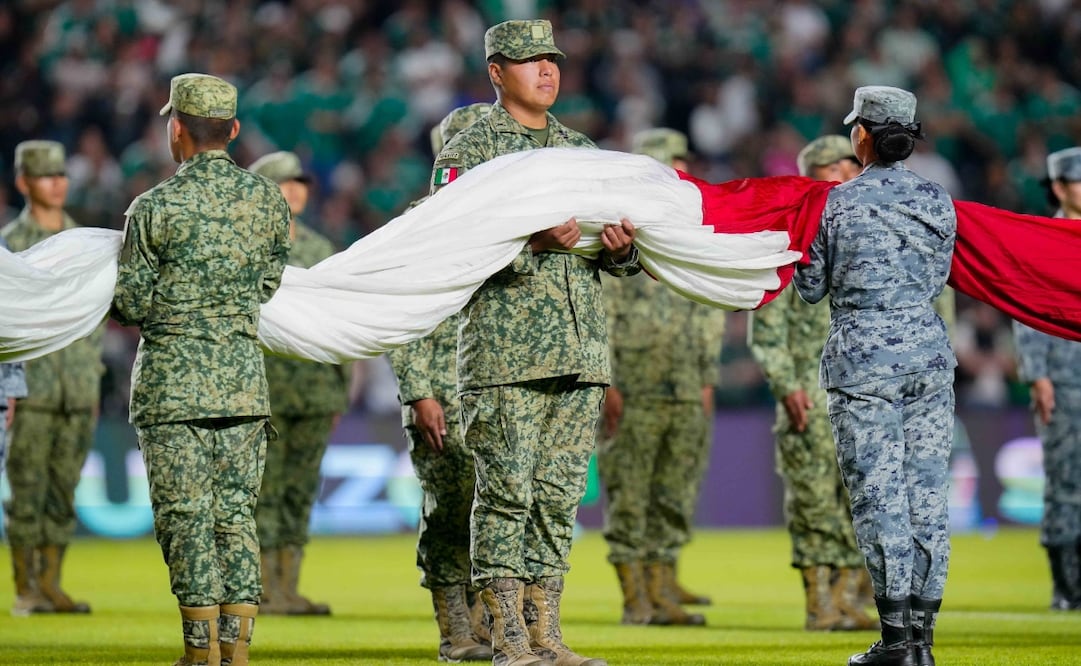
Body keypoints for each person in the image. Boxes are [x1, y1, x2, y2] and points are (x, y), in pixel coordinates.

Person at [430, 19, 638, 666]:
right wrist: (529, 247)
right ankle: (506, 636)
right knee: (505, 495)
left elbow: (617, 255)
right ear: (496, 73)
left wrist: (622, 253)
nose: (545, 70)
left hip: (578, 353)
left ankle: (547, 632)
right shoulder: (470, 150)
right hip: (504, 356)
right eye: (528, 61)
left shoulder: (579, 149)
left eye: (551, 59)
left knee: (557, 498)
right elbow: (447, 251)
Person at [110, 73, 291, 666]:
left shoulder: (154, 206)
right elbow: (268, 284)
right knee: (236, 517)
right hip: (242, 384)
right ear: (234, 131)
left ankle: (199, 651)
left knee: (185, 519)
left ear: (176, 129)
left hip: (172, 389)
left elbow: (131, 304)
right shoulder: (267, 200)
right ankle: (238, 648)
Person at [794, 86, 956, 666]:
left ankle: (895, 643)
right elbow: (941, 277)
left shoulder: (836, 204)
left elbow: (811, 288)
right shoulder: (941, 201)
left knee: (880, 497)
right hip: (929, 356)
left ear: (861, 134)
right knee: (928, 499)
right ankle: (924, 641)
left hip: (864, 360)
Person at [748, 135, 879, 633]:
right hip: (807, 392)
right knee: (812, 501)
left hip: (857, 392)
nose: (846, 174)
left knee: (855, 499)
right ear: (812, 176)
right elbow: (767, 328)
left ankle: (846, 599)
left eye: (851, 165)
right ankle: (818, 603)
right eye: (835, 168)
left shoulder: (860, 238)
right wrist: (785, 385)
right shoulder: (786, 241)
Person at [597, 128, 723, 628]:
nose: (678, 172)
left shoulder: (690, 233)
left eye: (679, 162)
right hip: (633, 386)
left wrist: (707, 375)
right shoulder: (613, 237)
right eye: (667, 164)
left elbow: (708, 310)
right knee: (630, 493)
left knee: (674, 491)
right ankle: (635, 599)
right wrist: (605, 381)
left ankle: (661, 588)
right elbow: (598, 314)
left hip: (685, 382)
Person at [388, 102, 494, 663]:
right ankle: (455, 627)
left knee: (496, 507)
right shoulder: (418, 223)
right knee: (451, 507)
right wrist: (419, 392)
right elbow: (400, 318)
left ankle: (486, 620)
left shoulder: (505, 220)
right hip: (441, 392)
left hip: (493, 388)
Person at [2, 140, 105, 616]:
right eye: (47, 175)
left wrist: (94, 380)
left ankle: (52, 583)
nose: (58, 182)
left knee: (64, 490)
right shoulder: (9, 246)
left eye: (62, 173)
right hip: (33, 391)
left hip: (77, 388)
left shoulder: (85, 242)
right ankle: (27, 588)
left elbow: (95, 320)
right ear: (24, 182)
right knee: (27, 492)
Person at [248, 150, 348, 617]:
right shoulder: (247, 245)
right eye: (285, 182)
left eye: (300, 182)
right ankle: (265, 588)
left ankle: (289, 586)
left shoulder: (320, 247)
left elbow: (338, 322)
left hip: (313, 387)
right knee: (264, 490)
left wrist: (340, 385)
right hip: (265, 388)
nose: (295, 190)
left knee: (300, 490)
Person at [1012, 146, 1081, 612]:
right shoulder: (1044, 237)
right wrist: (1037, 375)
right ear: (1058, 187)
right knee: (1066, 479)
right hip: (1065, 377)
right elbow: (1027, 308)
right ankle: (1067, 584)